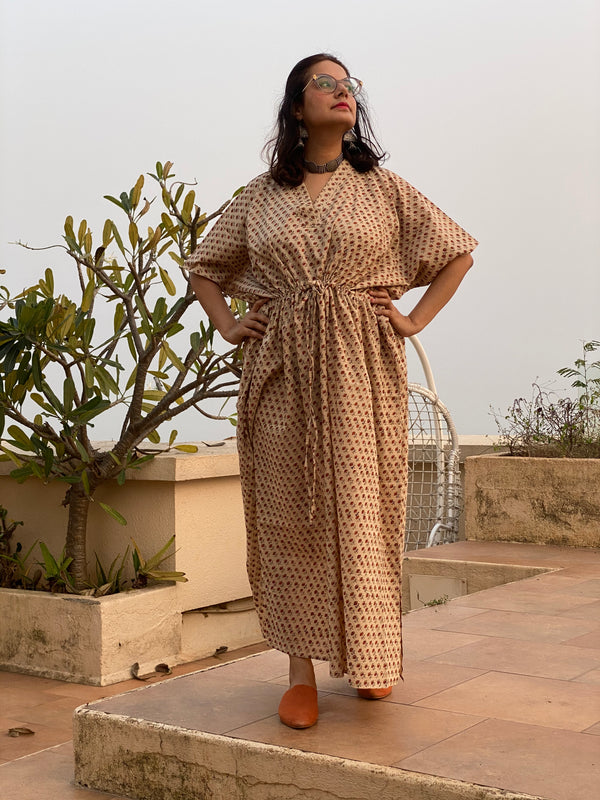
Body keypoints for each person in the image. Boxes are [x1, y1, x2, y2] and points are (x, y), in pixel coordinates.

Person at [185, 53, 477, 729]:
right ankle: (298, 673)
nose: (343, 92)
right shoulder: (259, 196)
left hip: (363, 370)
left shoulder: (384, 188)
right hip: (282, 373)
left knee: (366, 514)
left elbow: (457, 252)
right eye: (327, 82)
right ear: (296, 105)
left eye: (351, 85)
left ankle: (372, 658)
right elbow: (205, 266)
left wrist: (411, 320)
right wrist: (230, 324)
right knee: (289, 518)